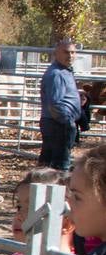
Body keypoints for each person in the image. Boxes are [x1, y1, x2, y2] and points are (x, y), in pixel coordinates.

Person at [40, 39, 82, 171]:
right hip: (58, 123)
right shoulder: (57, 74)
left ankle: (42, 188)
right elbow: (55, 103)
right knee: (60, 164)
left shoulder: (64, 71)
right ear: (56, 53)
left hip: (56, 122)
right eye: (66, 52)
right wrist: (67, 121)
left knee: (48, 162)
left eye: (73, 52)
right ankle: (57, 189)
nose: (70, 56)